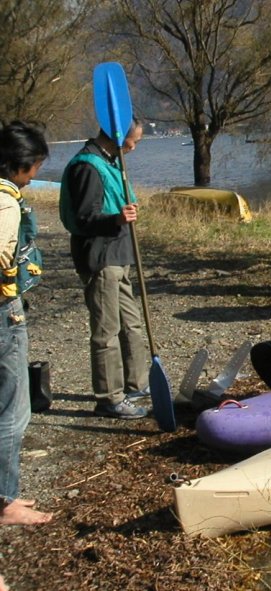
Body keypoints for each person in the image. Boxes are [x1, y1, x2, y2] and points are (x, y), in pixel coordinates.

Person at [59, 119, 150, 419]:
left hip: (119, 257)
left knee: (132, 323)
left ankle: (136, 384)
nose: (134, 148)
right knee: (106, 331)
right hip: (100, 258)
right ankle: (109, 398)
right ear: (118, 135)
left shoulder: (110, 161)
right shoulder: (87, 166)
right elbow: (85, 219)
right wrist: (116, 219)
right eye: (133, 141)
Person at [0, 120, 53, 526]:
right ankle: (5, 500)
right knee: (12, 410)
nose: (36, 175)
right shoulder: (5, 203)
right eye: (34, 166)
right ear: (20, 165)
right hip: (3, 314)